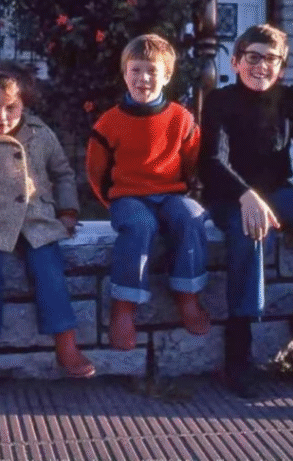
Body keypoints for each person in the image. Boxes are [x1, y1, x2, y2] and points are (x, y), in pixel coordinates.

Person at [199, 24, 293, 395]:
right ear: (236, 61)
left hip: (279, 195)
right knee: (250, 229)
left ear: (282, 67)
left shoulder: (289, 99)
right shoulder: (220, 101)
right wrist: (246, 194)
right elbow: (211, 162)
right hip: (229, 196)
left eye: (272, 59)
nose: (262, 66)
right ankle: (239, 349)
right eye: (253, 57)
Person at [0, 61, 95, 386]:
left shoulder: (41, 135)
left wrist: (68, 211)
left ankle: (67, 344)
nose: (1, 116)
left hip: (37, 221)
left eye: (11, 108)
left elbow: (62, 174)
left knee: (50, 272)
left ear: (24, 104)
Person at [87, 34, 211, 352]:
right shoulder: (109, 122)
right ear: (125, 74)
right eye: (136, 70)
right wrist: (112, 202)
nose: (143, 79)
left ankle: (187, 294)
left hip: (171, 194)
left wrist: (184, 193)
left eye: (152, 71)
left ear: (167, 76)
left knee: (191, 216)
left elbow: (193, 164)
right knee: (140, 225)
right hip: (128, 197)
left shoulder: (181, 120)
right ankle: (125, 306)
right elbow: (96, 172)